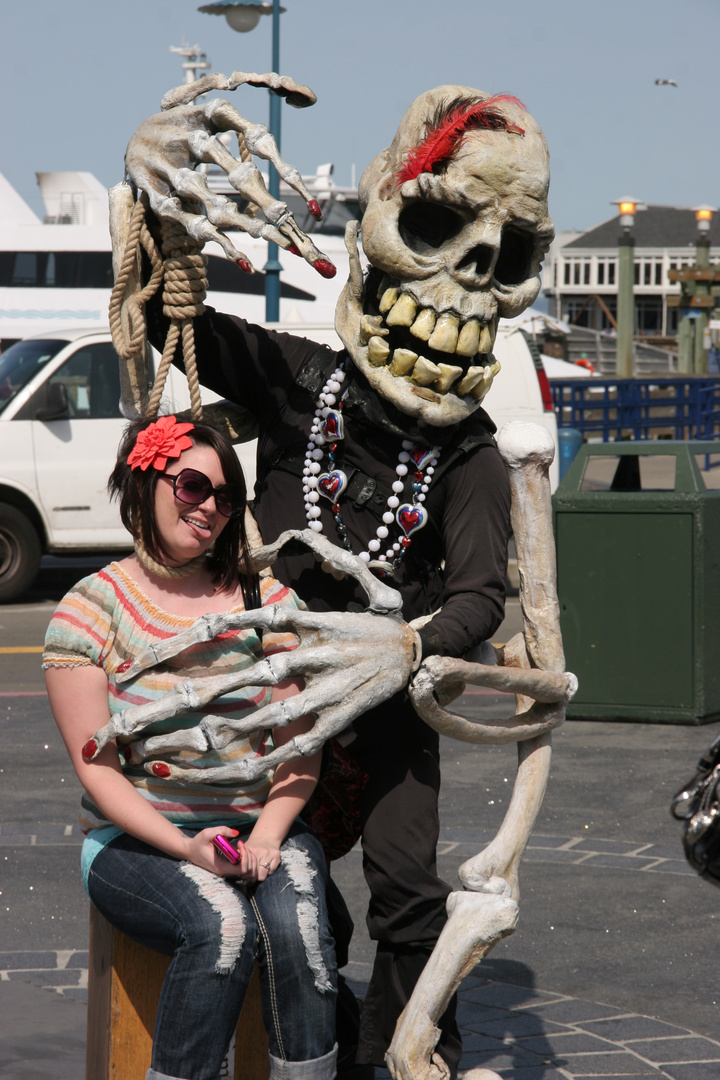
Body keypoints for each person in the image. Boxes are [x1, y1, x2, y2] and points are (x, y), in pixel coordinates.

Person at [146, 298, 510, 1079]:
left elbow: (481, 596)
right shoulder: (300, 376)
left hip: (388, 691)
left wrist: (408, 641)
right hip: (268, 681)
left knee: (408, 885)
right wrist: (160, 242)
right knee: (269, 867)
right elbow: (171, 315)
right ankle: (318, 1023)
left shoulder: (471, 455)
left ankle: (408, 1055)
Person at [43, 414, 337, 1080]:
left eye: (226, 496)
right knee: (220, 927)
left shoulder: (271, 606)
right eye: (193, 485)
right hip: (137, 843)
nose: (209, 507)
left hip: (262, 826)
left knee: (298, 931)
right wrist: (186, 849)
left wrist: (266, 836)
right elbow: (101, 772)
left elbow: (301, 745)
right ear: (145, 482)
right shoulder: (90, 609)